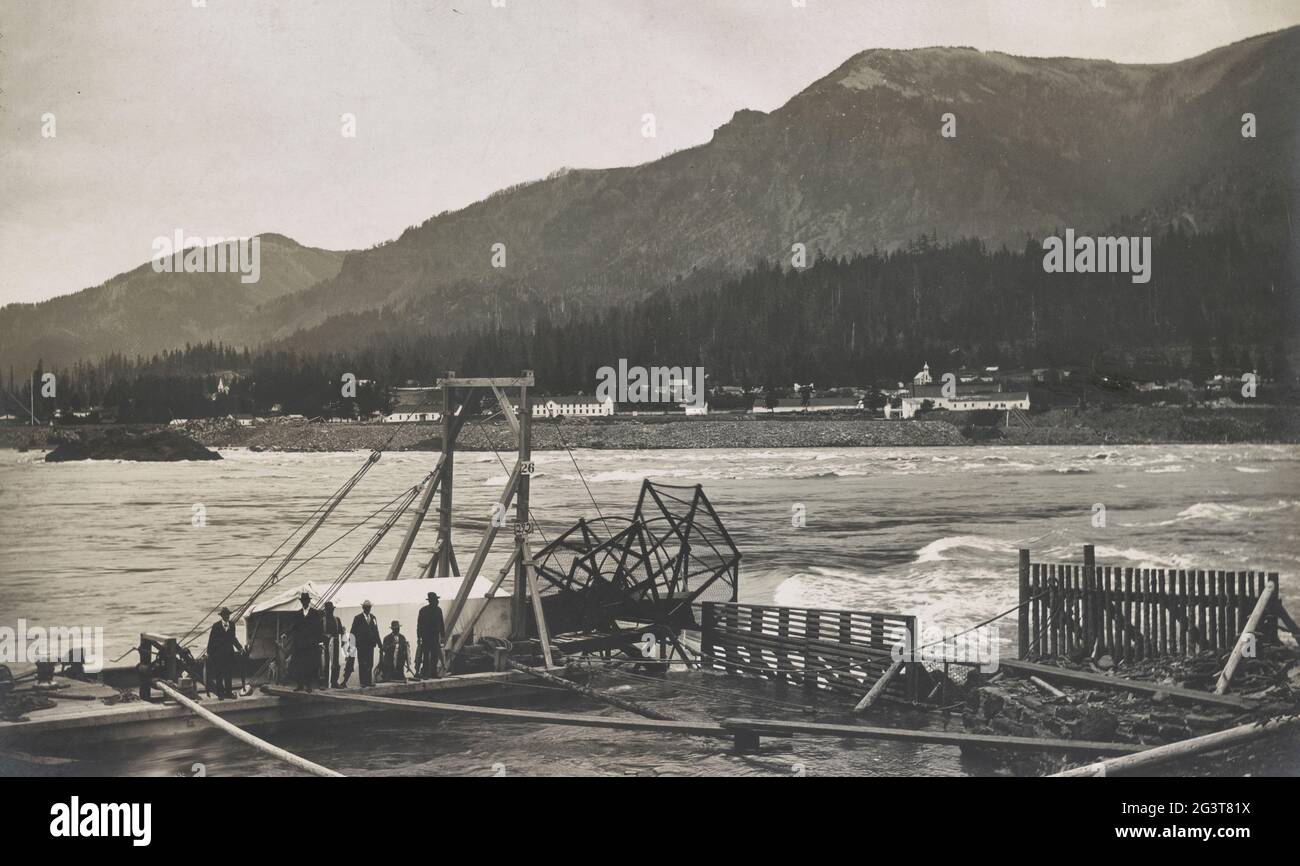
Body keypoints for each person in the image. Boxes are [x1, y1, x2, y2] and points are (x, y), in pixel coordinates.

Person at [287, 591, 323, 692]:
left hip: (311, 645)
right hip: (300, 645)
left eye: (306, 601)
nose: (305, 603)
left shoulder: (315, 613)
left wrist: (319, 642)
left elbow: (319, 629)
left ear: (309, 602)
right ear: (301, 602)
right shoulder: (298, 614)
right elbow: (293, 628)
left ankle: (308, 686)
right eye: (303, 601)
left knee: (310, 665)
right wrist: (287, 634)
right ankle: (300, 685)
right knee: (299, 665)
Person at [205, 607, 244, 699]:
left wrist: (240, 648)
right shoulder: (216, 626)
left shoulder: (232, 625)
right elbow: (211, 640)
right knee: (219, 675)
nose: (226, 616)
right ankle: (220, 694)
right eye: (225, 615)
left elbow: (233, 638)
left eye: (228, 615)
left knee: (228, 674)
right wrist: (208, 653)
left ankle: (228, 693)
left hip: (229, 654)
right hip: (218, 655)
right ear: (222, 616)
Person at [349, 600, 382, 687]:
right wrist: (351, 645)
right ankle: (363, 682)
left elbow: (376, 631)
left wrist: (380, 644)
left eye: (369, 607)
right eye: (367, 607)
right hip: (361, 645)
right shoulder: (358, 618)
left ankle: (368, 681)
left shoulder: (373, 618)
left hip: (370, 645)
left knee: (370, 663)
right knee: (362, 663)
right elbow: (352, 632)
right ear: (363, 608)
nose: (368, 609)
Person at [415, 591, 446, 679]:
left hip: (435, 636)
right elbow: (419, 625)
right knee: (425, 655)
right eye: (435, 600)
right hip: (426, 636)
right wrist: (419, 637)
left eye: (437, 600)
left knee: (435, 655)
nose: (437, 602)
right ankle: (425, 673)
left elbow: (441, 624)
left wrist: (443, 636)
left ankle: (434, 673)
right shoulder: (423, 611)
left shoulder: (438, 610)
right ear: (431, 601)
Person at [322, 601, 346, 688]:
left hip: (335, 644)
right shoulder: (322, 620)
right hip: (325, 645)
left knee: (336, 663)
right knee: (325, 664)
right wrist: (325, 637)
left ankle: (334, 682)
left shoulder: (337, 619)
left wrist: (343, 642)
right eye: (328, 610)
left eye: (331, 609)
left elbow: (341, 632)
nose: (330, 611)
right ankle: (324, 683)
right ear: (325, 610)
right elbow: (318, 633)